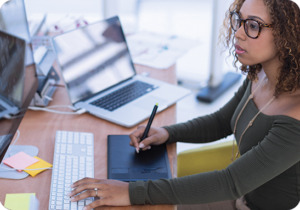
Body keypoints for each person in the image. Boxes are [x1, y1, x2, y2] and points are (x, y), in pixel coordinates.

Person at [68, 0, 300, 209]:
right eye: (240, 20)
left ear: (286, 34)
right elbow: (222, 121)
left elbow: (230, 182)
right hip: (239, 195)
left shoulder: (295, 116)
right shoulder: (260, 75)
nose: (238, 33)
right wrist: (167, 133)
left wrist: (131, 192)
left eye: (253, 25)